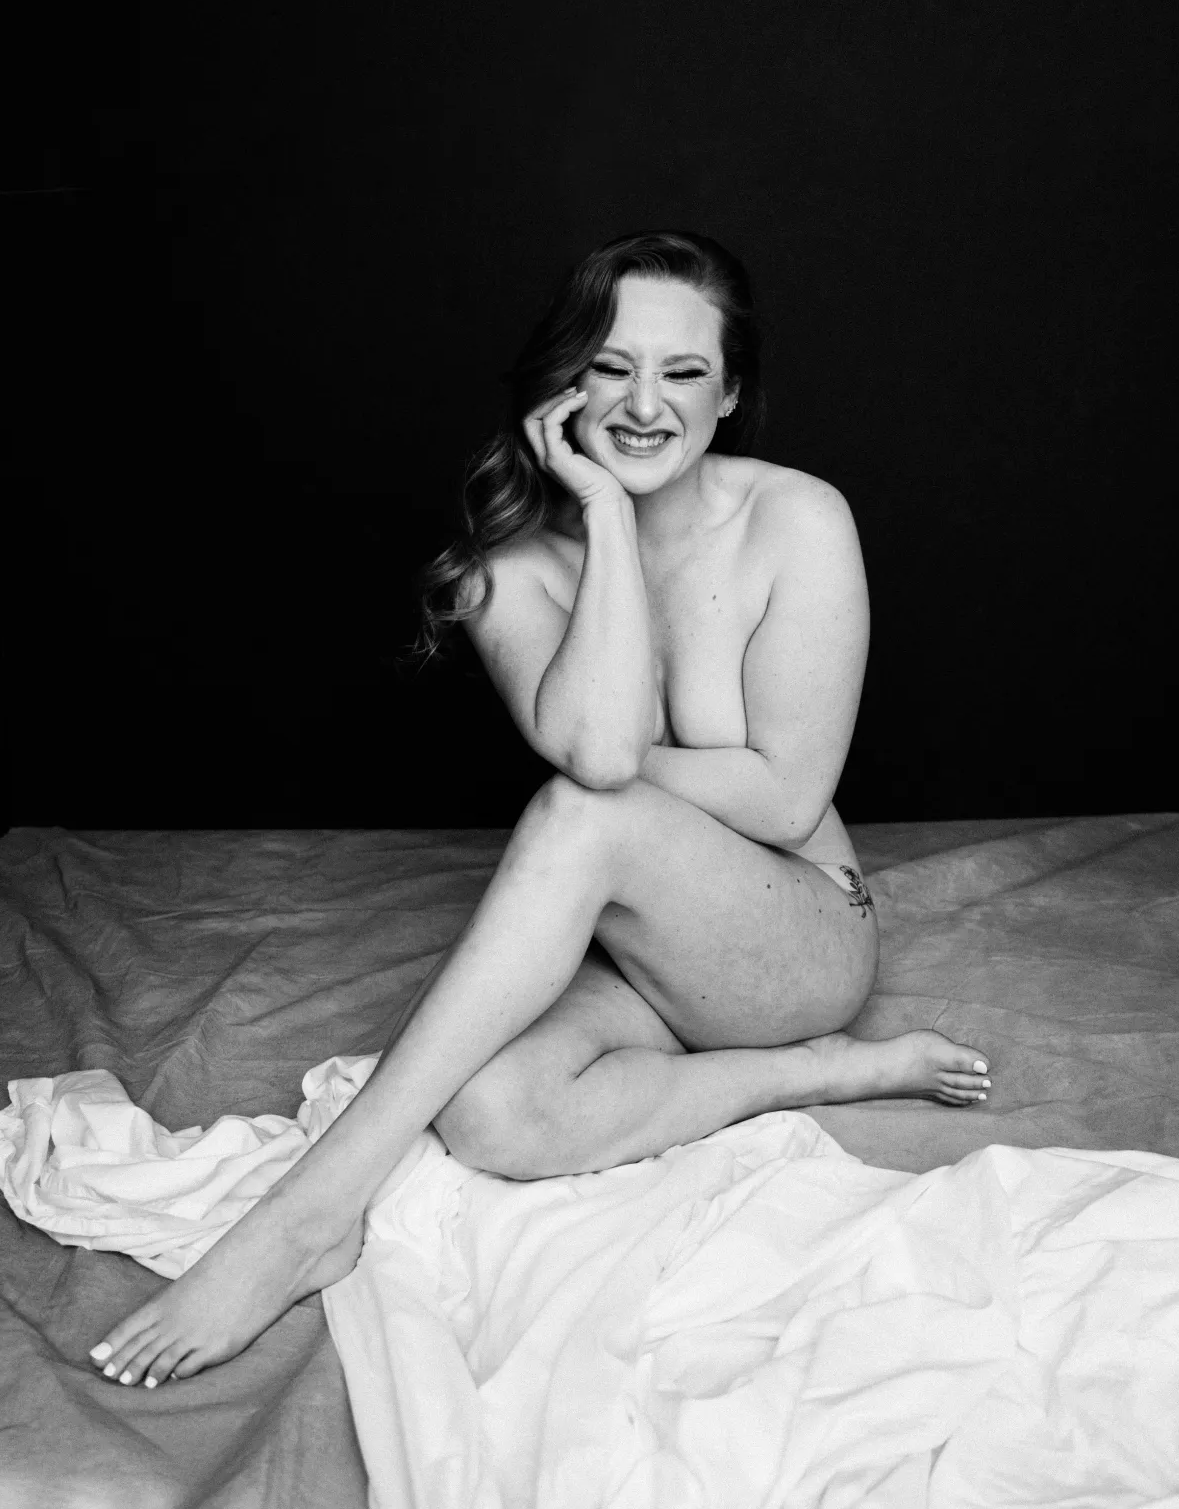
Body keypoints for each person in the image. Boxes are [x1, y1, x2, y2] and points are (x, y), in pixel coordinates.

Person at [88, 229, 991, 1389]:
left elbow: (782, 792)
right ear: (565, 386)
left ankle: (306, 1215)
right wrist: (605, 516)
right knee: (492, 1115)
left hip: (798, 938)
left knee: (581, 813)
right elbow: (602, 747)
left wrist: (607, 791)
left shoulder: (797, 519)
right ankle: (819, 1073)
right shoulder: (502, 571)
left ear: (729, 396)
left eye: (683, 373)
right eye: (612, 368)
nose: (646, 405)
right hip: (641, 956)